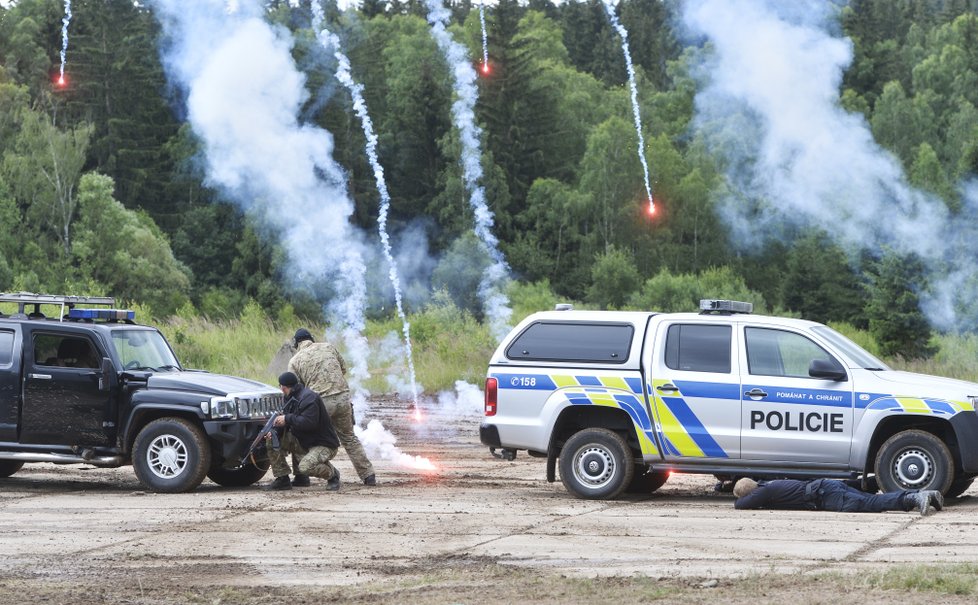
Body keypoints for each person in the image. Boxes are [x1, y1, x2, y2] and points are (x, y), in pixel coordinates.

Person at [288, 328, 377, 486]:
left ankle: (304, 476)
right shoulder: (329, 347)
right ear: (312, 338)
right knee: (349, 438)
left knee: (300, 433)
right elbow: (343, 369)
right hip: (343, 398)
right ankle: (368, 475)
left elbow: (296, 388)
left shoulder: (295, 361)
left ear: (296, 343)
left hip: (319, 404)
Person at [264, 371, 341, 491]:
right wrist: (275, 431)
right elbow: (286, 419)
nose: (281, 390)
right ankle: (282, 479)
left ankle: (332, 475)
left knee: (305, 467)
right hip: (304, 441)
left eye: (282, 387)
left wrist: (286, 419)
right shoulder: (289, 397)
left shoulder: (309, 398)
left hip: (323, 444)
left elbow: (309, 423)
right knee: (272, 439)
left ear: (284, 387)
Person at [733, 478, 944, 515]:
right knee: (868, 499)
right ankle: (924, 494)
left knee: (870, 504)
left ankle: (914, 499)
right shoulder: (769, 484)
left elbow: (740, 505)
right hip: (828, 486)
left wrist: (737, 497)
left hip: (826, 497)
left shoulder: (764, 491)